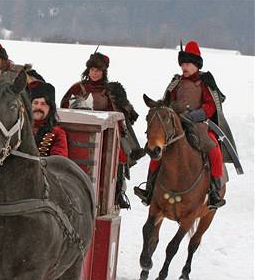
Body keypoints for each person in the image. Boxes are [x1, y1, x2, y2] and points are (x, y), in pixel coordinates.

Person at [134, 40, 232, 209]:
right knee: (158, 149)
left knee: (214, 149)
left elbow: (210, 106)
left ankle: (215, 191)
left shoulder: (205, 82)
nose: (184, 67)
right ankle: (149, 188)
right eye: (183, 64)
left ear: (196, 65)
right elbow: (167, 101)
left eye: (188, 64)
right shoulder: (176, 81)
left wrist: (194, 116)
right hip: (174, 124)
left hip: (198, 125)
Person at [61, 50, 142, 209]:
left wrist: (122, 105)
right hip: (78, 134)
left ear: (103, 72)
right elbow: (64, 110)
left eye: (97, 70)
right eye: (92, 69)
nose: (94, 73)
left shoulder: (110, 90)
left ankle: (117, 193)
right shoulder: (77, 88)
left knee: (118, 156)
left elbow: (122, 117)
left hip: (106, 136)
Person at [28, 80, 68, 157]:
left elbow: (58, 162)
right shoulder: (21, 128)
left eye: (43, 104)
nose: (38, 107)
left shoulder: (57, 133)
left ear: (50, 108)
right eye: (35, 103)